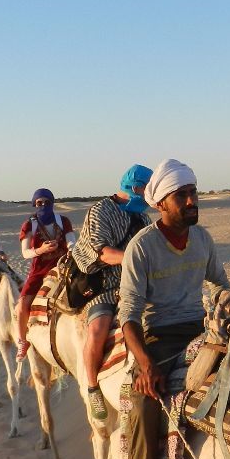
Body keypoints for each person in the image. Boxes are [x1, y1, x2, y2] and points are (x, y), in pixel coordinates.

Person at [118, 159, 230, 459]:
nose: (190, 201)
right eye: (181, 195)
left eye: (193, 193)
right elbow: (128, 317)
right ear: (161, 204)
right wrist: (145, 365)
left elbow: (219, 285)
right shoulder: (142, 248)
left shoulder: (203, 239)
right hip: (158, 335)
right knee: (143, 403)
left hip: (201, 327)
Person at [70, 163, 153, 420]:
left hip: (136, 283)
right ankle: (92, 386)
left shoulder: (142, 217)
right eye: (148, 190)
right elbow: (101, 252)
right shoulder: (101, 211)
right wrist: (135, 257)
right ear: (136, 187)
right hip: (105, 284)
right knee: (97, 330)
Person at [16, 187, 75, 360]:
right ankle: (22, 341)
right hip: (39, 270)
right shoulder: (29, 225)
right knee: (21, 306)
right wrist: (41, 249)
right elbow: (25, 253)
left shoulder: (64, 221)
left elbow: (72, 242)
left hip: (63, 265)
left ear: (52, 203)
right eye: (39, 202)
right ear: (34, 204)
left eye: (46, 202)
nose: (43, 205)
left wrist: (71, 250)